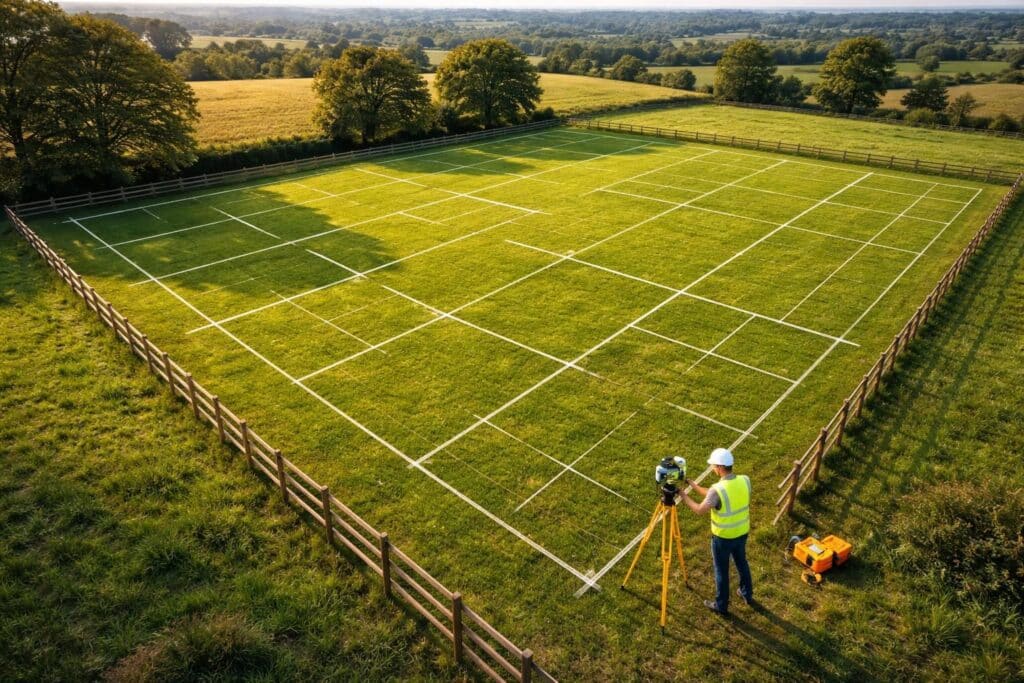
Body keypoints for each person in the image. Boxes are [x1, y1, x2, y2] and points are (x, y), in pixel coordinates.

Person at [680, 447, 753, 615]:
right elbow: (714, 495)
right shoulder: (744, 480)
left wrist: (683, 495)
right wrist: (693, 485)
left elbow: (700, 509)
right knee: (742, 563)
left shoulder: (717, 490)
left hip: (723, 538)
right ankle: (747, 593)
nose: (713, 469)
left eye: (713, 466)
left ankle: (721, 606)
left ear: (720, 468)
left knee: (721, 570)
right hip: (742, 533)